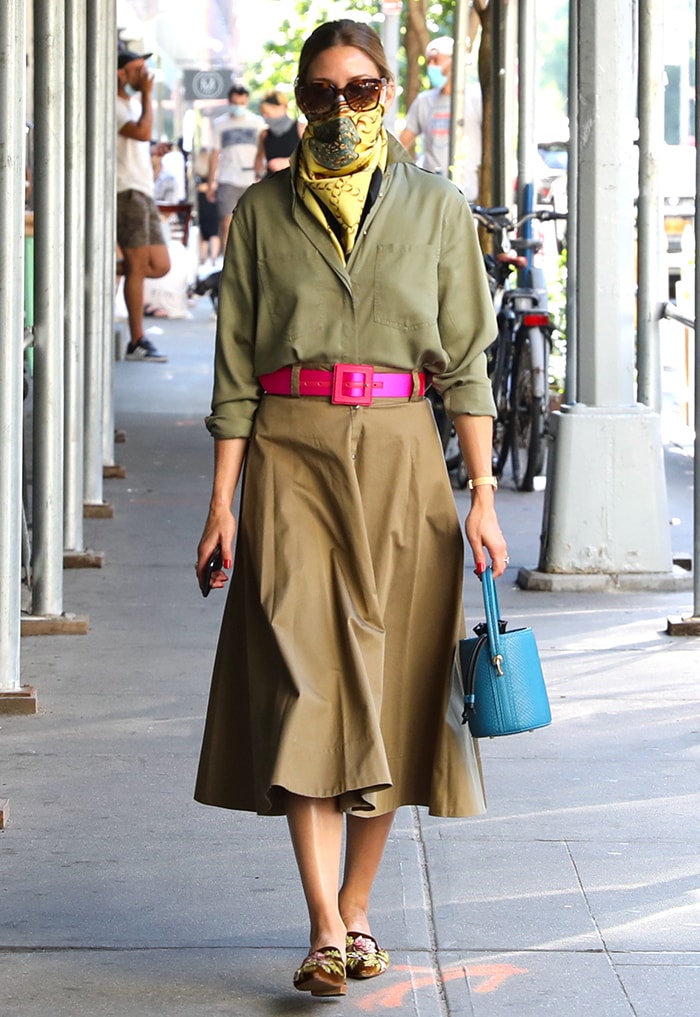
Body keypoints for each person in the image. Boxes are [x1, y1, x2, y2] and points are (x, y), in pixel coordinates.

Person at [194, 19, 507, 999]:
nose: (340, 109)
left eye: (360, 90)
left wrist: (485, 497)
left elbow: (464, 369)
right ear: (300, 100)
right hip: (288, 458)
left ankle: (359, 909)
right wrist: (221, 505)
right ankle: (324, 923)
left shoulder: (438, 211)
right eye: (322, 93)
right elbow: (235, 366)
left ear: (389, 90)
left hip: (406, 463)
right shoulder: (260, 214)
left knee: (392, 689)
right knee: (304, 682)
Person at [116, 49, 170, 362]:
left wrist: (154, 155)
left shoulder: (130, 103)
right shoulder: (114, 102)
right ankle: (137, 340)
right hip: (127, 193)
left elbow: (139, 139)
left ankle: (94, 272)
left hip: (142, 192)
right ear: (121, 73)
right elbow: (142, 131)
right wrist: (149, 96)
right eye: (138, 69)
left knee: (159, 265)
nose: (145, 75)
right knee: (138, 267)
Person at [398, 36, 482, 202]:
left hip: (467, 197)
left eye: (436, 60)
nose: (431, 66)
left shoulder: (476, 99)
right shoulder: (424, 101)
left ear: (455, 62)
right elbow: (401, 143)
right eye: (429, 61)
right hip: (431, 195)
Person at [206, 84, 265, 250]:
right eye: (235, 102)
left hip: (252, 180)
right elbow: (214, 155)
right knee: (227, 224)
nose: (238, 106)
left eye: (242, 102)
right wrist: (212, 182)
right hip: (227, 179)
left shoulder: (257, 123)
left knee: (253, 224)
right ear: (229, 101)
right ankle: (227, 265)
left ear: (246, 102)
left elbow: (263, 151)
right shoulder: (219, 124)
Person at [253, 89, 305, 178]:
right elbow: (259, 160)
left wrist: (289, 162)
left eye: (268, 113)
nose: (266, 117)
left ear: (283, 108)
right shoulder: (264, 134)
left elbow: (315, 158)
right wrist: (258, 175)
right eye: (263, 114)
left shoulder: (301, 129)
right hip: (273, 184)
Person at [193, 147, 221, 267]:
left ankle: (204, 258)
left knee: (204, 231)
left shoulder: (198, 171)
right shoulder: (216, 171)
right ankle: (213, 258)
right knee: (214, 230)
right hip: (214, 200)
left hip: (202, 200)